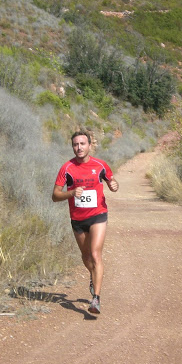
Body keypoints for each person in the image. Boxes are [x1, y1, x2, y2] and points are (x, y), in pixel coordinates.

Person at [52, 131, 119, 314]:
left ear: (90, 145)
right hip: (78, 219)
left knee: (96, 254)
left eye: (82, 144)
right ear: (72, 147)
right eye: (75, 144)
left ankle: (96, 299)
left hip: (98, 215)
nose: (79, 147)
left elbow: (112, 182)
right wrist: (71, 193)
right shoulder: (67, 168)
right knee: (86, 257)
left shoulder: (100, 165)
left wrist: (114, 186)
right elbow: (55, 196)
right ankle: (92, 274)